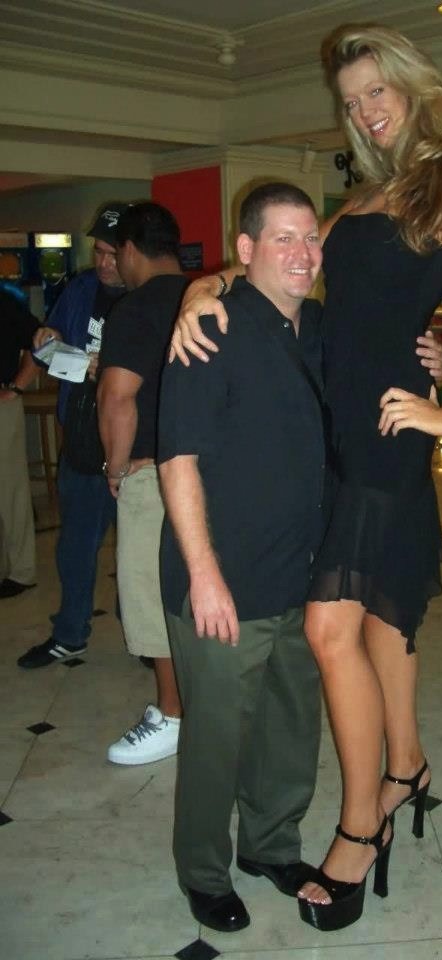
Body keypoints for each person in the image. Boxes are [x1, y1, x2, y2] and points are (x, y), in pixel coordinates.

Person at [173, 24, 442, 932]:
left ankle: (361, 820)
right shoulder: (368, 196)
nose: (367, 109)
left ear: (414, 87)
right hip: (338, 431)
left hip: (385, 433)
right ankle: (406, 767)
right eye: (352, 100)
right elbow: (284, 269)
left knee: (327, 627)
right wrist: (198, 289)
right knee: (380, 618)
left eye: (378, 90)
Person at [157, 182, 326, 932]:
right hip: (223, 581)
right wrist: (204, 576)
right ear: (246, 249)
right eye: (282, 237)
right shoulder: (211, 329)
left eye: (310, 237)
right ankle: (203, 871)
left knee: (290, 727)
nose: (302, 252)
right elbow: (177, 458)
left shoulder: (318, 328)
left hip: (303, 575)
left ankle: (271, 845)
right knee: (217, 741)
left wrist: (425, 353)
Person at [17, 203, 127, 669]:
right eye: (98, 251)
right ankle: (69, 634)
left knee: (138, 552)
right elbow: (52, 339)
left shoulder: (151, 296)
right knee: (75, 547)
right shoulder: (81, 288)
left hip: (132, 445)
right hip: (82, 435)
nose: (103, 262)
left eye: (112, 254)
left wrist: (114, 368)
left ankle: (146, 637)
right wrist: (46, 337)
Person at [97, 202, 186, 765]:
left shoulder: (136, 308)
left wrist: (115, 467)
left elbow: (117, 398)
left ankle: (173, 714)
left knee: (152, 596)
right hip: (213, 473)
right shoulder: (214, 296)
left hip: (153, 474)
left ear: (130, 250)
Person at [0, 287, 39, 598]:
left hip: (2, 401)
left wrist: (17, 387)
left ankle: (21, 571)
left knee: (9, 489)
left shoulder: (4, 302)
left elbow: (42, 342)